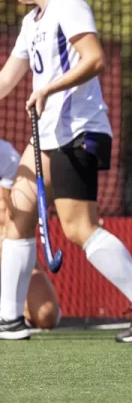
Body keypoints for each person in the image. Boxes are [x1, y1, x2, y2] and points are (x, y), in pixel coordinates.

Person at [0, 0, 132, 342]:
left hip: (78, 131)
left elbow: (94, 59)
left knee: (79, 228)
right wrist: (39, 90)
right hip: (48, 133)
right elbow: (6, 79)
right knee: (17, 217)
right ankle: (8, 319)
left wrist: (48, 88)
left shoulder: (67, 5)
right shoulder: (32, 22)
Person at [0, 138, 60, 330]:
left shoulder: (5, 155)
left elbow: (8, 224)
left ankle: (10, 314)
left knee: (46, 315)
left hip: (3, 243)